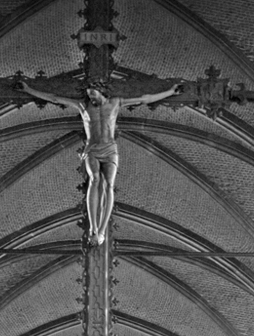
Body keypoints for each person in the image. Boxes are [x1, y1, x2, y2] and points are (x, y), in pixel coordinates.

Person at [19, 79, 183, 245]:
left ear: (102, 92)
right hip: (92, 149)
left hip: (110, 149)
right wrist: (29, 90)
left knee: (108, 186)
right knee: (94, 180)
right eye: (90, 96)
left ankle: (102, 229)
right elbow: (54, 98)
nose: (92, 100)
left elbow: (144, 99)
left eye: (94, 96)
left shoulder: (116, 103)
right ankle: (93, 228)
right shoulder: (83, 106)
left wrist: (170, 92)